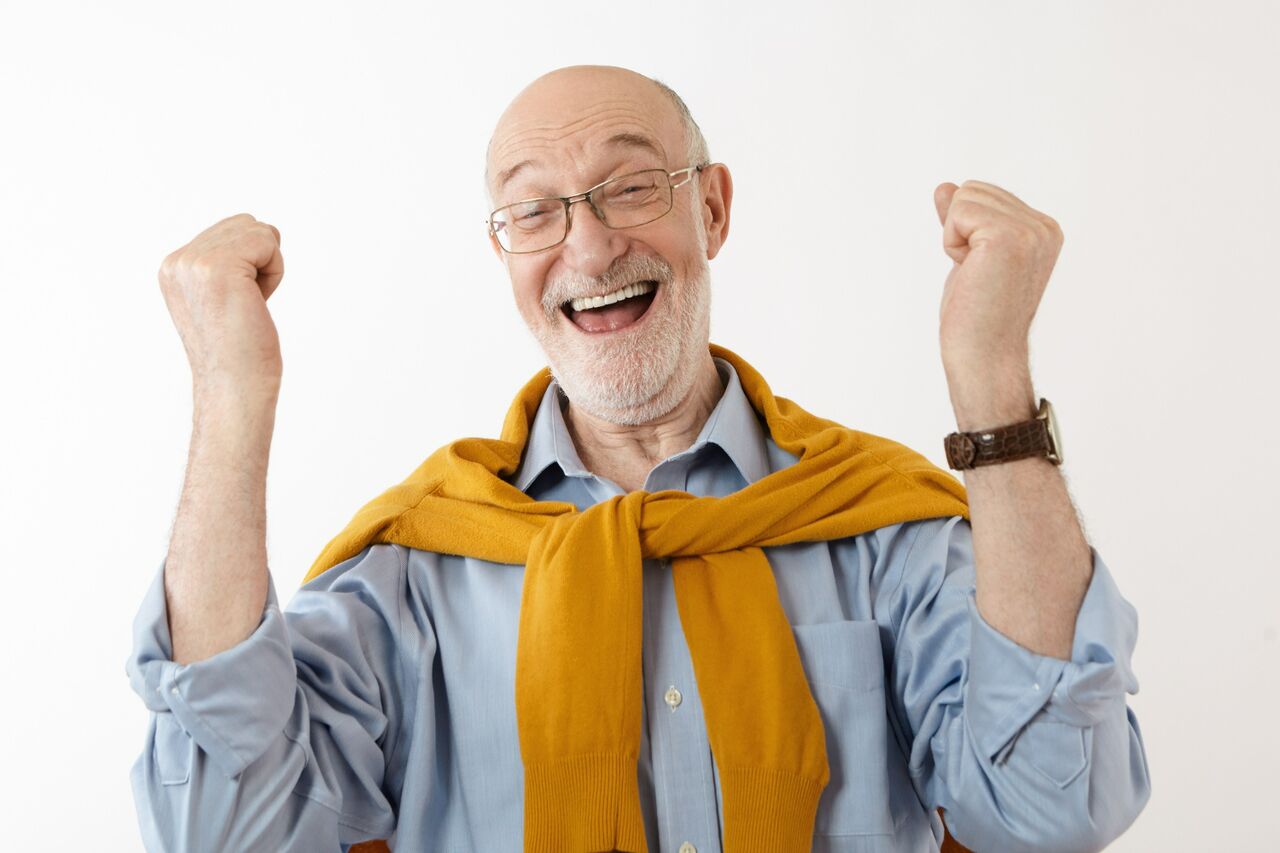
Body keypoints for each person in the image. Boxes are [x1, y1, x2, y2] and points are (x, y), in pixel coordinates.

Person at [127, 65, 1151, 852]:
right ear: (505, 253)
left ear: (709, 208)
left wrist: (989, 377)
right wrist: (229, 400)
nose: (587, 244)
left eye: (625, 186)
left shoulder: (878, 526)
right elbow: (229, 826)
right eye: (534, 208)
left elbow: (1044, 811)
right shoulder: (414, 569)